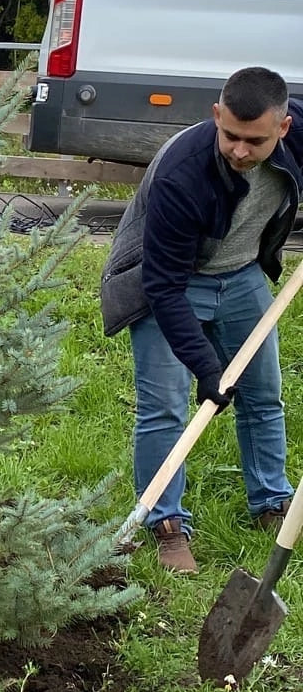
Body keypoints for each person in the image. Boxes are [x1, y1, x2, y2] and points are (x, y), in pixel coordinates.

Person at [101, 66, 303, 573]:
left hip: (241, 277)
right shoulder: (181, 172)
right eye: (229, 134)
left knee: (262, 395)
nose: (238, 150)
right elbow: (163, 287)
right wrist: (207, 370)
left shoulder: (298, 135)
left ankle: (273, 504)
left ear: (283, 128)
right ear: (216, 115)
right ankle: (167, 525)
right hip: (171, 281)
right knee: (165, 406)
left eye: (253, 141)